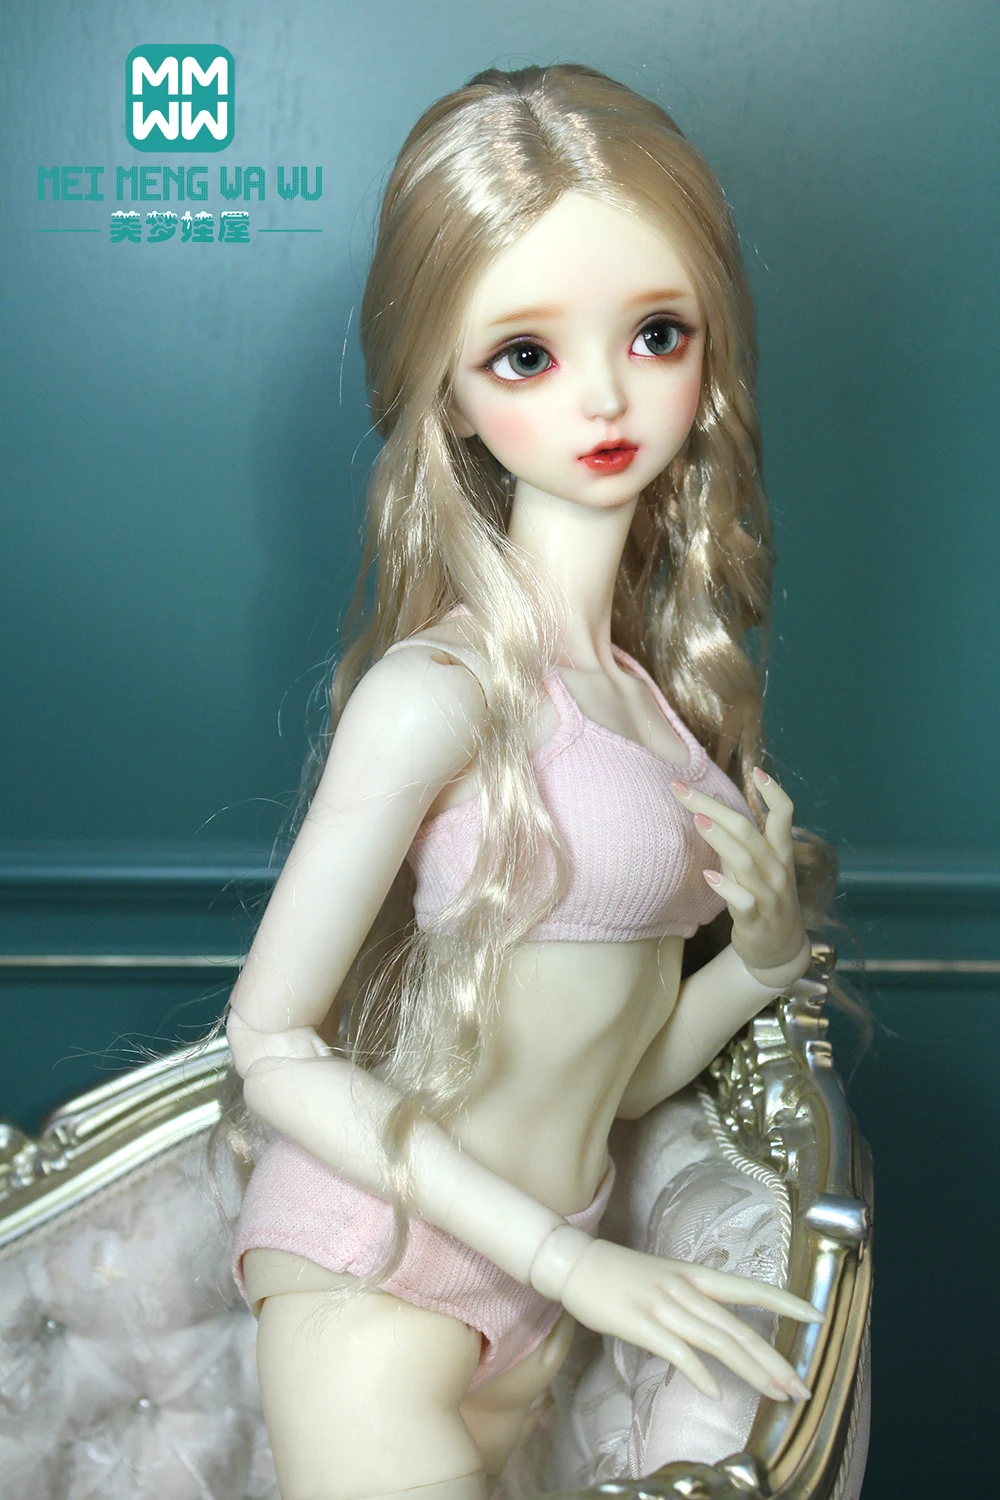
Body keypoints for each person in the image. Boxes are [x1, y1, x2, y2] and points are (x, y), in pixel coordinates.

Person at [223, 63, 830, 1500]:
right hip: (380, 1279)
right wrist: (566, 1258)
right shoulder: (437, 695)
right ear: (445, 387)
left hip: (538, 1291)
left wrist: (761, 961)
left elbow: (614, 1075)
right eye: (525, 356)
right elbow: (270, 1042)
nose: (607, 396)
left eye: (657, 333)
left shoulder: (648, 707)